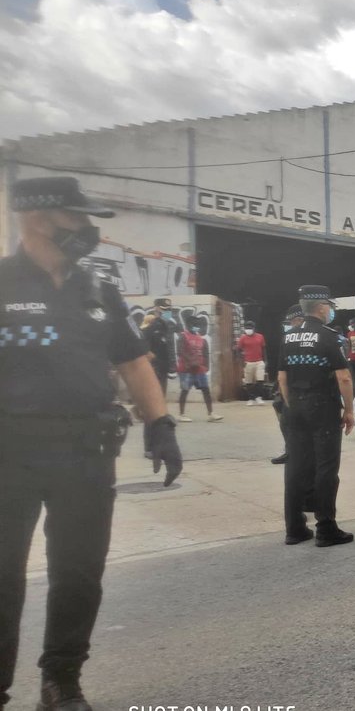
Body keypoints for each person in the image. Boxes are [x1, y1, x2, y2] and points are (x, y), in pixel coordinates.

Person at [0, 176, 183, 711]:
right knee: (2, 577)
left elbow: (133, 360)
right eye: (78, 218)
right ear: (39, 217)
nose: (88, 229)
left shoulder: (99, 290)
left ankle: (61, 680)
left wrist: (161, 424)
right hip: (8, 455)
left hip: (86, 453)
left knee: (79, 574)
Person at [278, 285, 355, 547]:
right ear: (322, 307)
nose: (331, 311)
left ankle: (295, 528)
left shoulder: (288, 337)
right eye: (330, 306)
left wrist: (293, 406)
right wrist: (350, 410)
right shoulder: (328, 337)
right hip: (322, 407)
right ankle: (326, 528)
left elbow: (282, 377)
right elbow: (343, 376)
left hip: (295, 408)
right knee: (326, 467)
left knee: (296, 467)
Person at [141, 297, 175, 458]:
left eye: (168, 310)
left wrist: (172, 369)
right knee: (150, 409)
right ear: (156, 309)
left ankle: (159, 445)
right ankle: (149, 447)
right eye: (164, 309)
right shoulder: (149, 328)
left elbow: (169, 350)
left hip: (162, 373)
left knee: (160, 410)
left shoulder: (167, 328)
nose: (167, 312)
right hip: (151, 373)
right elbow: (143, 351)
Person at [271, 304, 304, 465]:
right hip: (292, 383)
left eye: (290, 321)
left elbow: (283, 370)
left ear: (297, 320)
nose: (289, 325)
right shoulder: (290, 336)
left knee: (289, 418)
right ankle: (291, 449)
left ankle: (294, 451)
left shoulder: (291, 336)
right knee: (280, 408)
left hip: (297, 386)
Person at [176, 317, 223, 422]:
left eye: (197, 324)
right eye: (193, 324)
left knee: (206, 390)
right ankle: (181, 414)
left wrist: (205, 366)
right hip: (186, 369)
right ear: (188, 325)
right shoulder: (183, 336)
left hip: (199, 369)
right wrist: (190, 362)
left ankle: (211, 413)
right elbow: (180, 351)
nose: (196, 326)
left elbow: (205, 352)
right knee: (185, 391)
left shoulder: (200, 338)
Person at [236, 320, 267, 406]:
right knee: (248, 382)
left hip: (259, 362)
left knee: (260, 380)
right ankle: (250, 398)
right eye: (247, 328)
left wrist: (265, 361)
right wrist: (241, 362)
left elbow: (264, 349)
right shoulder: (243, 338)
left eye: (250, 328)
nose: (248, 330)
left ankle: (258, 397)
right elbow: (238, 350)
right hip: (248, 362)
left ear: (254, 328)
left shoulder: (260, 337)